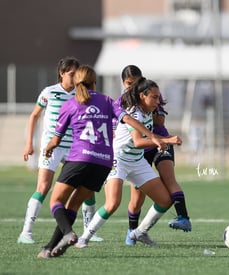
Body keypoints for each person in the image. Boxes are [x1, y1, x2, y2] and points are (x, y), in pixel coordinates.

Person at [37, 65, 164, 258]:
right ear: (95, 82)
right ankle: (49, 249)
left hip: (80, 158)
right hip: (104, 162)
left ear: (75, 83)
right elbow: (128, 120)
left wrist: (48, 148)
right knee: (73, 206)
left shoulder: (70, 104)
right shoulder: (106, 100)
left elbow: (56, 139)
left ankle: (69, 233)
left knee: (56, 201)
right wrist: (153, 137)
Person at [75, 77, 182, 248]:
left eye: (158, 97)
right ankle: (84, 238)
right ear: (142, 96)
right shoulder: (134, 112)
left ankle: (139, 232)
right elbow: (138, 141)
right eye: (154, 97)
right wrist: (166, 140)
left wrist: (162, 139)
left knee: (165, 200)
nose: (158, 101)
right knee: (112, 203)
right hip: (118, 160)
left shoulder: (148, 112)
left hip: (137, 162)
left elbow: (145, 140)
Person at [18, 57, 101, 244]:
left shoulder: (81, 94)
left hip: (75, 148)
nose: (74, 78)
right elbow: (34, 116)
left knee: (86, 189)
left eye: (76, 74)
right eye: (71, 74)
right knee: (43, 187)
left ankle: (89, 232)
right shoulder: (49, 92)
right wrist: (29, 144)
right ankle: (26, 232)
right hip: (52, 147)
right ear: (62, 74)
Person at [114, 66, 191, 247]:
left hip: (162, 141)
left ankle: (183, 217)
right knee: (137, 197)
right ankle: (131, 232)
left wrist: (150, 110)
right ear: (123, 83)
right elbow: (118, 126)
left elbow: (160, 121)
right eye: (128, 83)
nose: (132, 86)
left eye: (136, 82)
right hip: (139, 150)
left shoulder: (151, 95)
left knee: (168, 178)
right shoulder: (121, 102)